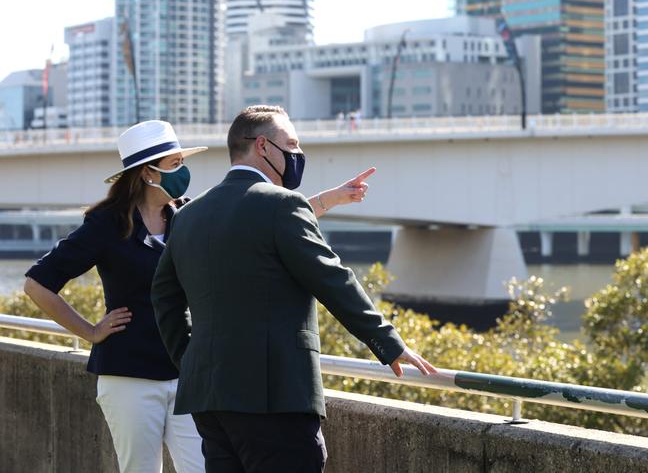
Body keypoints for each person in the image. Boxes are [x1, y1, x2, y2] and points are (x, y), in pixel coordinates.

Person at [23, 119, 372, 473]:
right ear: (147, 173)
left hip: (188, 375)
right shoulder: (106, 225)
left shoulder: (186, 215)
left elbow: (263, 219)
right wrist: (90, 332)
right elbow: (37, 284)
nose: (183, 172)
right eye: (175, 164)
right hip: (129, 376)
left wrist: (331, 198)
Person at [151, 105, 436, 473]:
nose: (299, 154)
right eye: (293, 144)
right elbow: (333, 279)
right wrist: (387, 342)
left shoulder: (189, 215)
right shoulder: (283, 205)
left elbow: (163, 296)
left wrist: (190, 360)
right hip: (275, 397)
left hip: (210, 398)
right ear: (263, 146)